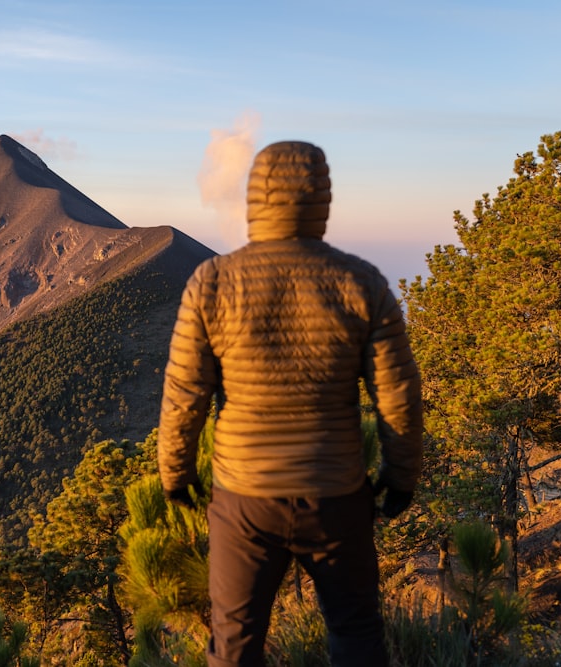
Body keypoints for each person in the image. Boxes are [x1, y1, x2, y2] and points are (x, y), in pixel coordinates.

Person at [158, 140, 423, 666]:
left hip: (244, 498)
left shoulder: (212, 282)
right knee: (356, 635)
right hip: (337, 494)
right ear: (322, 200)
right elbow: (398, 394)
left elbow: (185, 392)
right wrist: (400, 477)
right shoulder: (360, 281)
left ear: (255, 199)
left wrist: (176, 472)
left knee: (234, 642)